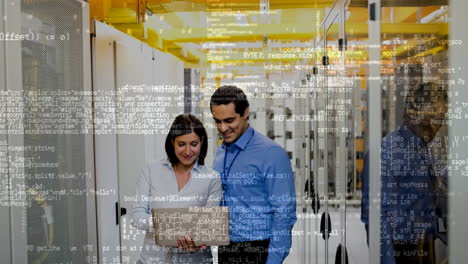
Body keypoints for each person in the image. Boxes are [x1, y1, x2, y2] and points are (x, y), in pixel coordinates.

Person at [361, 82, 448, 264]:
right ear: (411, 113)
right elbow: (377, 218)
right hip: (401, 251)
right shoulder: (386, 152)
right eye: (431, 116)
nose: (436, 125)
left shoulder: (423, 148)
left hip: (424, 247)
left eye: (440, 117)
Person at [210, 85, 297, 264]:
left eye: (229, 120)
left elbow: (284, 213)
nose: (223, 128)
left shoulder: (271, 153)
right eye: (217, 121)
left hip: (258, 250)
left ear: (245, 113)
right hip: (227, 248)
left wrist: (272, 261)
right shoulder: (221, 152)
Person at [131, 114, 222, 264]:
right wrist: (173, 226)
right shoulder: (151, 170)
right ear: (172, 142)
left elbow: (208, 225)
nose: (187, 151)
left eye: (193, 144)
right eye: (181, 144)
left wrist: (197, 241)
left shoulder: (212, 178)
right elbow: (136, 215)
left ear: (202, 142)